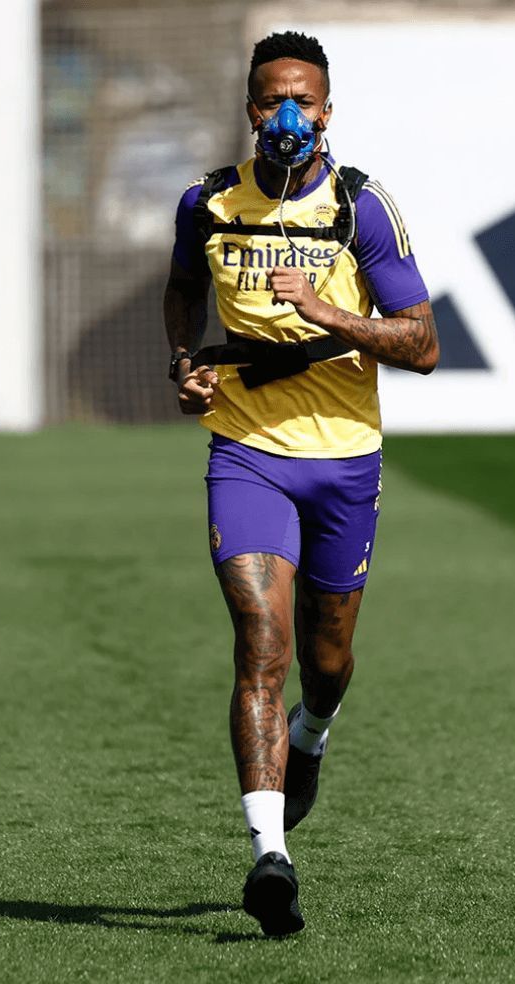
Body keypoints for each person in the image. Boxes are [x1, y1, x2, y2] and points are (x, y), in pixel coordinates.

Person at [163, 30, 438, 938]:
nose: (289, 115)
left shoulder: (360, 207)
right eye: (273, 99)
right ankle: (270, 859)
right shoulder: (207, 203)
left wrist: (327, 310)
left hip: (345, 461)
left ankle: (313, 734)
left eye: (305, 101)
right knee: (261, 643)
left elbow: (424, 345)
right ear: (251, 109)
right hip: (244, 450)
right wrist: (185, 364)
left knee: (324, 663)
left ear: (328, 111)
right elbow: (180, 291)